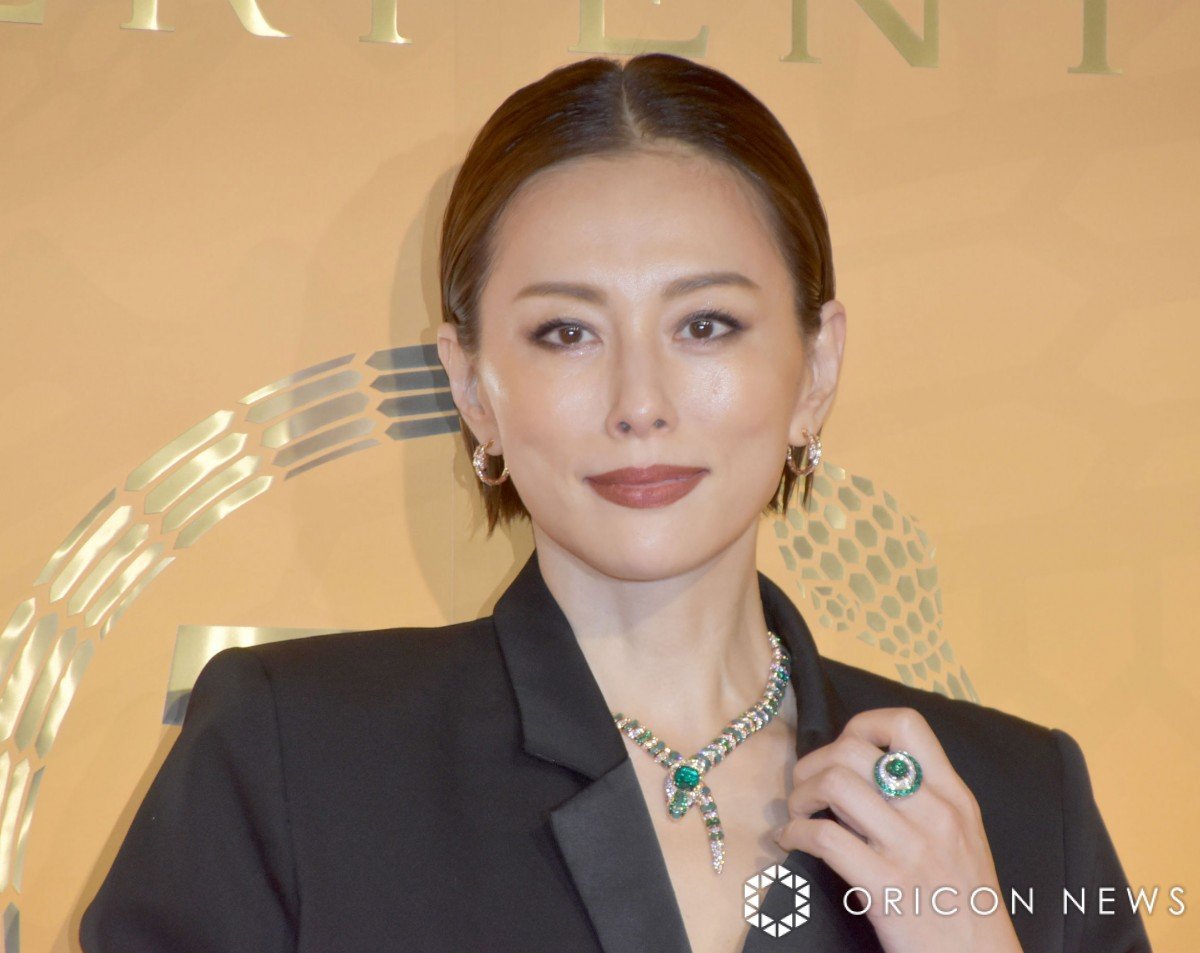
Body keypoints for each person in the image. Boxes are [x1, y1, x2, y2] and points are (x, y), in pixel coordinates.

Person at [80, 53, 1152, 953]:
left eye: (706, 325)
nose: (640, 403)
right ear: (471, 386)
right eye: (567, 333)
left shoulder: (1016, 800)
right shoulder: (294, 752)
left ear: (817, 365)